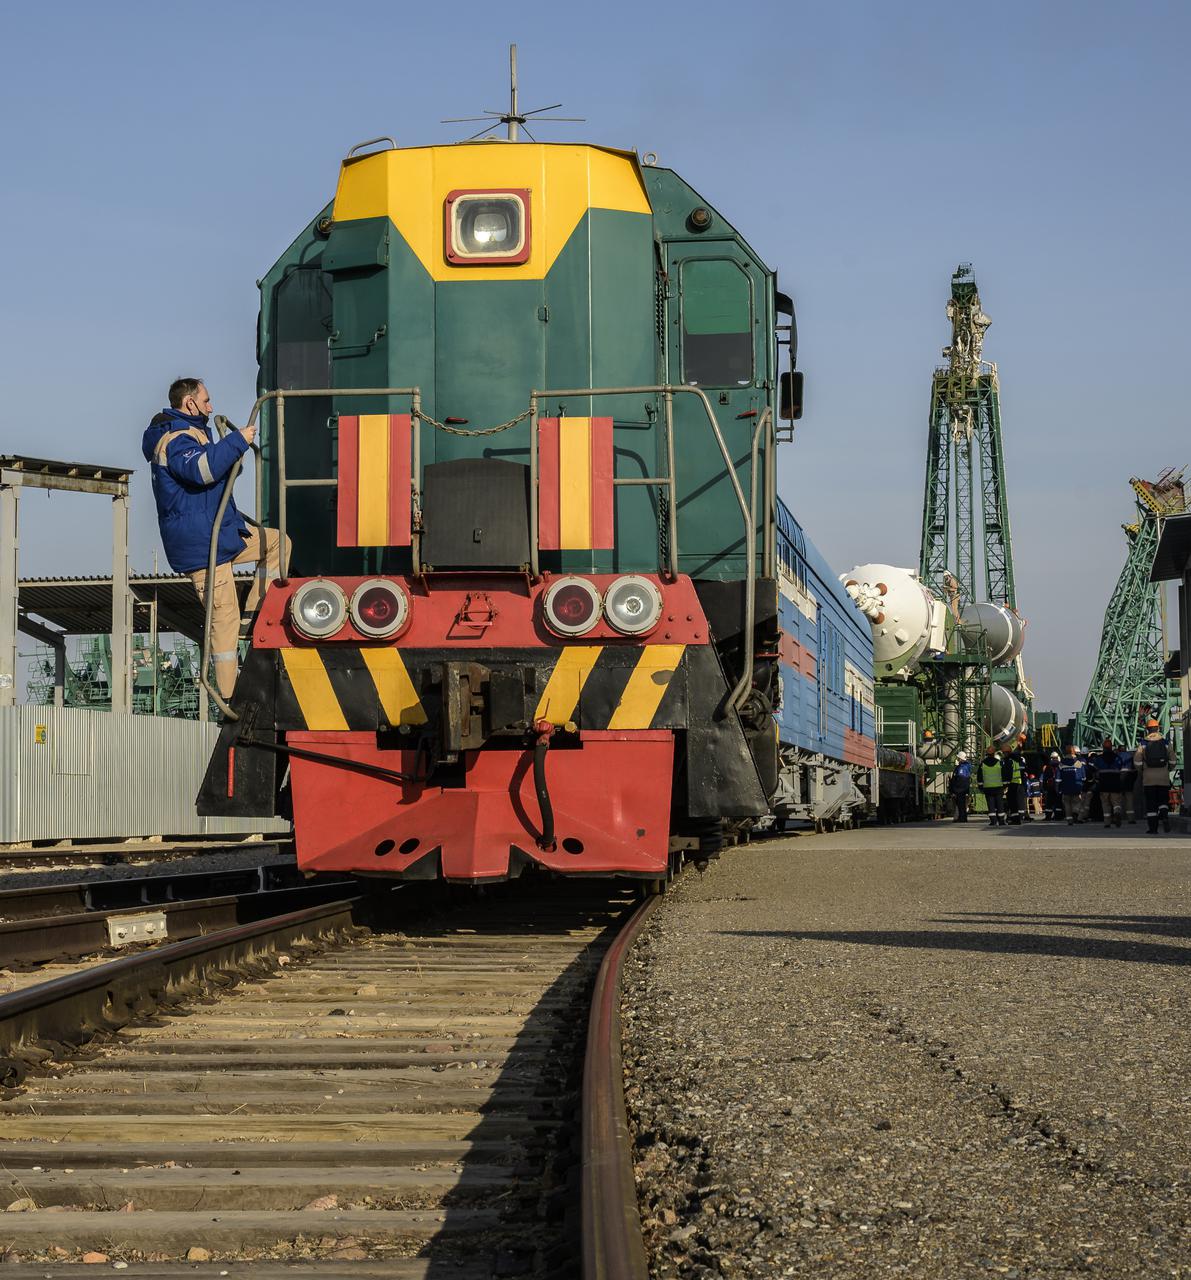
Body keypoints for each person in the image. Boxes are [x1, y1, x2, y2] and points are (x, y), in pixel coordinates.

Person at [142, 379, 290, 700]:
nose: (211, 407)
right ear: (190, 403)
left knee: (278, 543)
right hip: (202, 546)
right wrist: (237, 441)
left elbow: (215, 473)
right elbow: (201, 470)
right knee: (223, 622)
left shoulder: (194, 433)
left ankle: (254, 614)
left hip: (220, 532)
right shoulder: (176, 439)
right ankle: (230, 699)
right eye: (206, 401)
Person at [1134, 719, 1172, 833]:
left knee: (1151, 805)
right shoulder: (1165, 743)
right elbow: (1173, 760)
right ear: (1158, 728)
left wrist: (1143, 770)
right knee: (1163, 800)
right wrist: (1168, 769)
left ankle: (1153, 828)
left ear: (1147, 729)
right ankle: (1164, 815)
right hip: (1163, 777)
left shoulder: (1143, 744)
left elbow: (1137, 761)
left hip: (1148, 778)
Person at [1092, 737, 1123, 828]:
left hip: (1104, 784)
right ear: (1112, 747)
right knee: (1116, 802)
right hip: (1115, 784)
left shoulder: (1099, 758)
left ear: (1103, 748)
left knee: (1106, 804)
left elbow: (1095, 770)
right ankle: (1117, 812)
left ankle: (1107, 822)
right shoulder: (1117, 758)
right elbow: (1121, 768)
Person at [1056, 745, 1086, 825]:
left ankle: (1069, 820)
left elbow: (1058, 779)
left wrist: (1058, 788)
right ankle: (1075, 812)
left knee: (1067, 803)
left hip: (1065, 787)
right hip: (1076, 786)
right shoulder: (1078, 763)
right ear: (1074, 752)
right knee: (1078, 802)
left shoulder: (1061, 764)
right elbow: (1083, 777)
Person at [978, 744, 1006, 827]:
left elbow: (979, 777)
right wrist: (1004, 786)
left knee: (991, 805)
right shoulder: (999, 763)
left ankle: (993, 821)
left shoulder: (983, 764)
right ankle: (1001, 821)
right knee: (1000, 804)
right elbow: (1004, 774)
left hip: (988, 788)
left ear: (987, 754)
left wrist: (980, 786)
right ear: (994, 754)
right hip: (998, 787)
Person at [1000, 743, 1025, 825]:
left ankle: (1015, 820)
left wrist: (1005, 785)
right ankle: (1016, 819)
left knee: (1012, 802)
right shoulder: (1017, 759)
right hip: (1018, 782)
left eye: (1004, 753)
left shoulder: (1009, 760)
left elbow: (1008, 774)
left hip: (1012, 783)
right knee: (1015, 802)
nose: (1003, 754)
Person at [948, 752, 972, 822]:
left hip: (960, 789)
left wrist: (955, 789)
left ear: (960, 758)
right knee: (961, 804)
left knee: (960, 804)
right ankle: (963, 818)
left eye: (958, 758)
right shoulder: (964, 766)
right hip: (962, 789)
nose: (957, 759)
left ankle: (961, 818)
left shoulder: (962, 768)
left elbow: (961, 780)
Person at [1119, 743, 1139, 824]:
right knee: (1129, 799)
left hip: (1119, 778)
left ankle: (1117, 816)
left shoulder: (1116, 756)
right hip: (1129, 779)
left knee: (1117, 800)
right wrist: (1133, 780)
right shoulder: (1131, 757)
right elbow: (1135, 770)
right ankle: (1131, 819)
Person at [1041, 750, 1062, 820]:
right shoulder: (1060, 765)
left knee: (1049, 802)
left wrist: (1044, 787)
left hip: (1050, 786)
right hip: (1058, 786)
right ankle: (1058, 816)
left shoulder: (1048, 766)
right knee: (1058, 802)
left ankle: (1048, 816)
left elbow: (1045, 778)